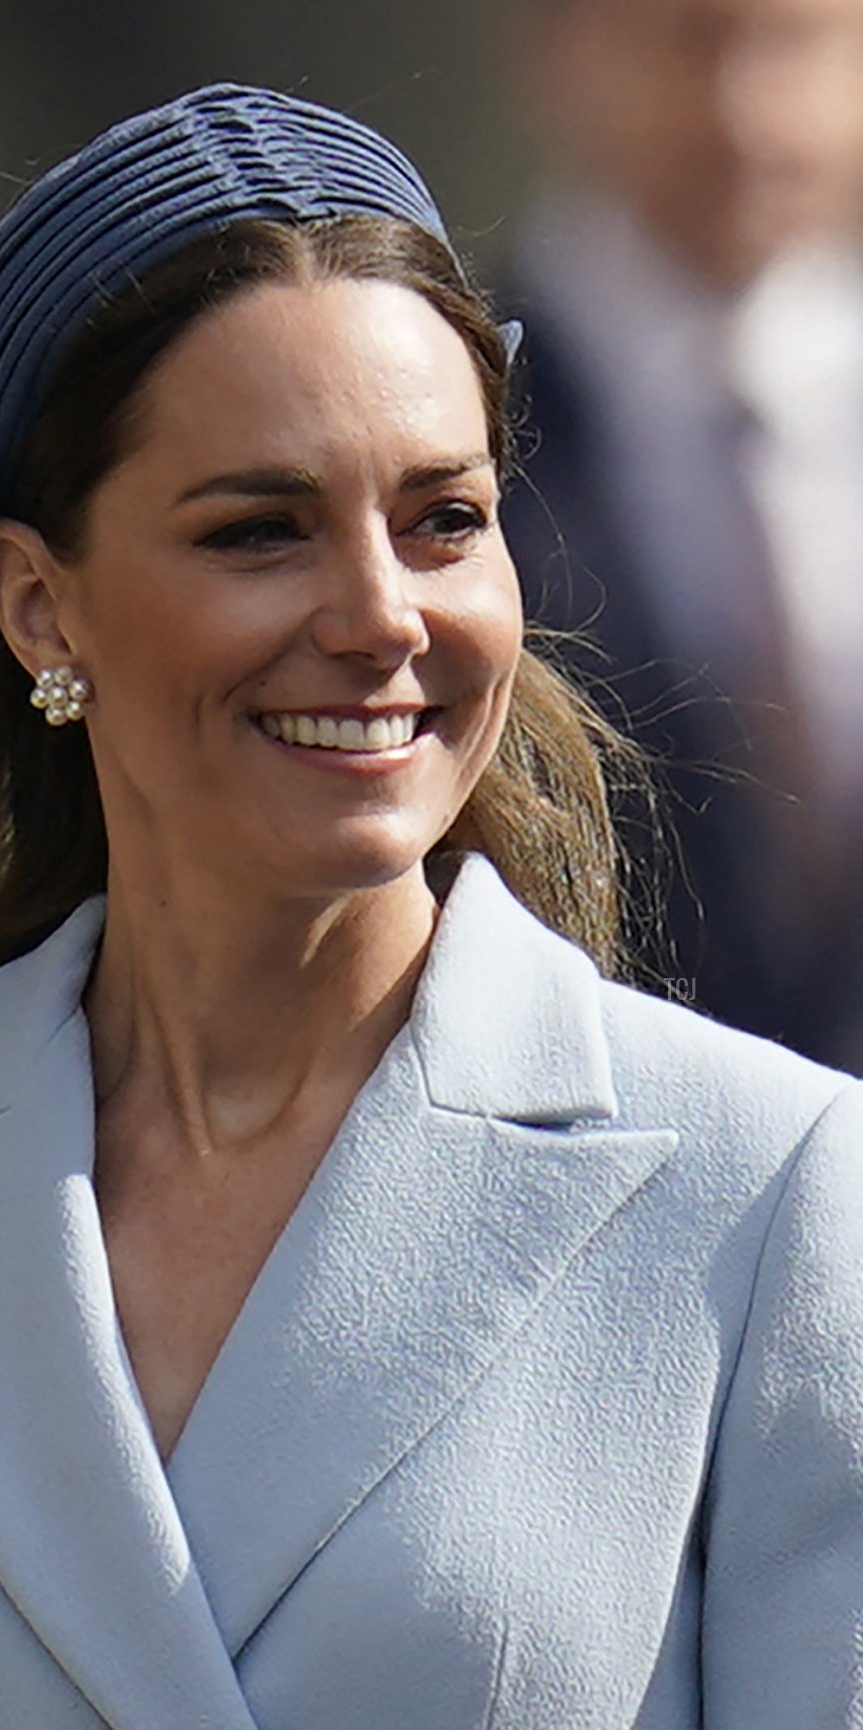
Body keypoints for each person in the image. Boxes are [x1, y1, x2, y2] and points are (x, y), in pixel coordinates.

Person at [0, 83, 860, 1730]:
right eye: (261, 532)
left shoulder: (775, 1189)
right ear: (34, 600)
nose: (380, 614)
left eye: (445, 521)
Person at [500, 0, 863, 1066]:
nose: (747, 115)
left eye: (795, 43)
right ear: (560, 49)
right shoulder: (452, 433)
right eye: (691, 42)